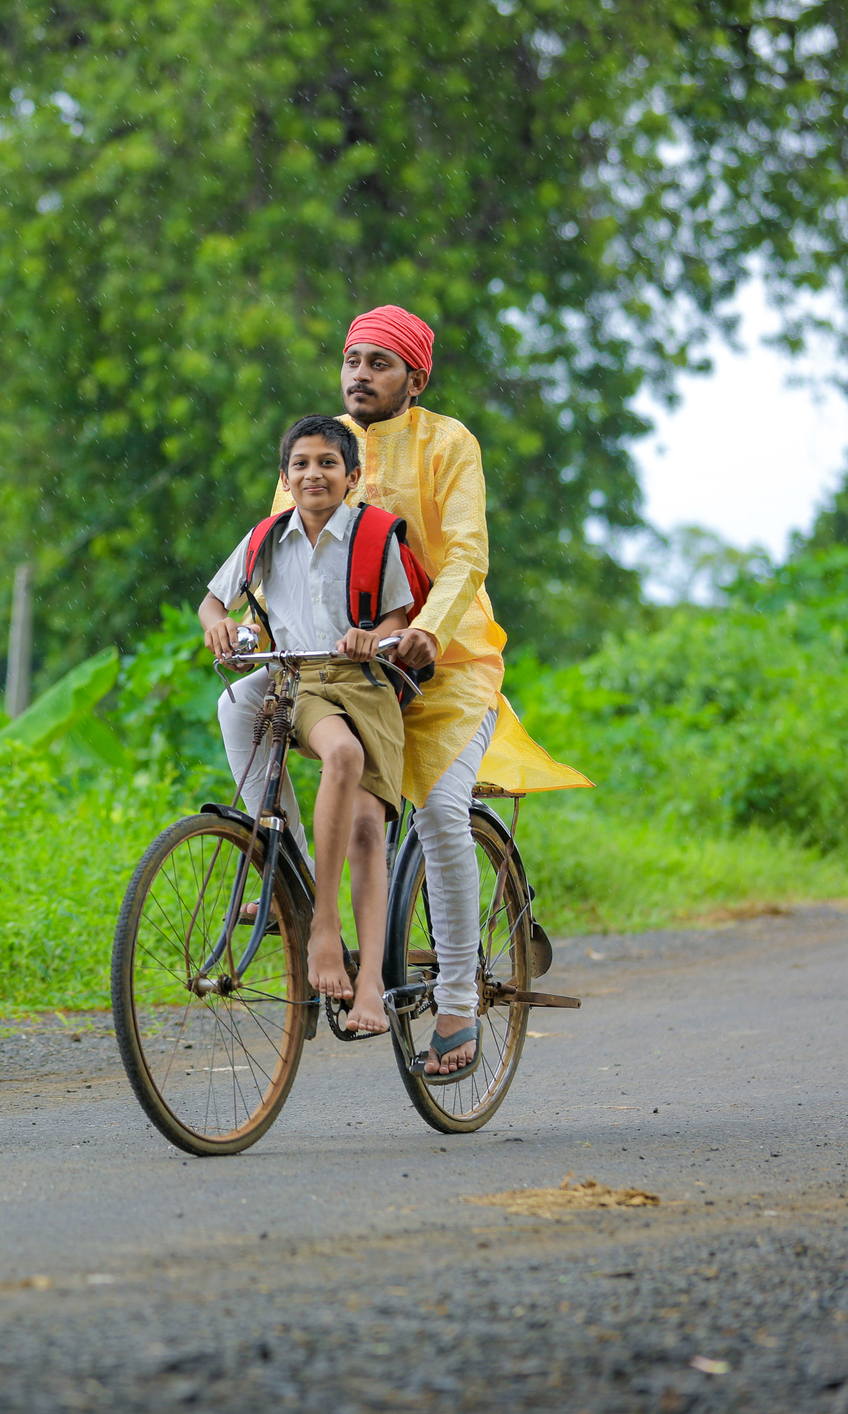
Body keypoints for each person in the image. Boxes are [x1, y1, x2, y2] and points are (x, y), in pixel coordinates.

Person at [258, 305, 588, 1079]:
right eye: (351, 361)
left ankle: (456, 1006)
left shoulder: (448, 443)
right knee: (267, 730)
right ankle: (302, 897)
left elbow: (467, 552)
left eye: (378, 363)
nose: (358, 376)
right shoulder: (320, 448)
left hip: (443, 663)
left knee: (440, 812)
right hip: (344, 667)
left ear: (415, 377)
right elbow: (273, 550)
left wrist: (429, 630)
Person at [198, 414, 413, 1036]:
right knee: (237, 702)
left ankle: (367, 977)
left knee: (369, 829)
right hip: (296, 680)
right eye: (300, 464)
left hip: (364, 685)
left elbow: (400, 618)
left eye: (327, 463)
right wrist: (218, 623)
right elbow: (216, 600)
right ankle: (300, 887)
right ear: (284, 477)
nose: (313, 474)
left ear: (353, 475)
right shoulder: (266, 537)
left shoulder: (375, 537)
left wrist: (373, 636)